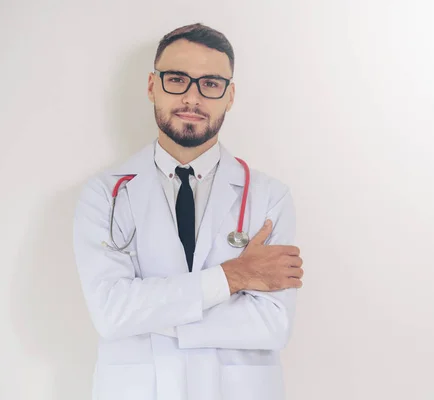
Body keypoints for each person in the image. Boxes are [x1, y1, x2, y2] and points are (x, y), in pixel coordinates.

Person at [72, 22, 304, 400]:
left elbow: (271, 324)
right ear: (152, 86)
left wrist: (152, 312)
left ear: (229, 96)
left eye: (210, 84)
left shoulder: (269, 196)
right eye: (177, 79)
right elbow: (111, 314)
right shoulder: (106, 194)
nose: (192, 98)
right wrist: (232, 278)